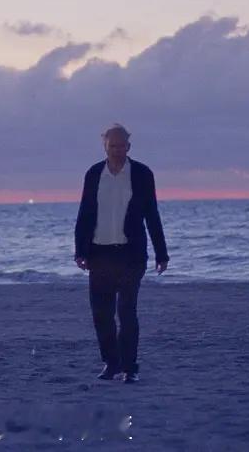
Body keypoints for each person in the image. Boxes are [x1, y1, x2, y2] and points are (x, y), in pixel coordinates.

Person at [74, 123, 169, 384]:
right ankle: (111, 363)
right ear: (105, 146)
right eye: (112, 146)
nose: (117, 150)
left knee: (126, 311)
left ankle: (130, 367)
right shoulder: (94, 174)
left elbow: (152, 214)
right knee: (101, 313)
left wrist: (162, 253)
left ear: (129, 146)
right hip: (99, 252)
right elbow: (85, 213)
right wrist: (80, 250)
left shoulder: (141, 174)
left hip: (131, 253)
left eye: (121, 145)